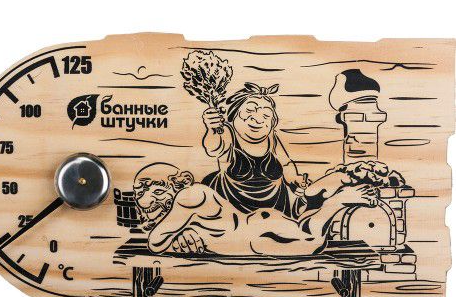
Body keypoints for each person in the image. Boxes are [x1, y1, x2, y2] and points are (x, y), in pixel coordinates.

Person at [132, 162, 383, 257]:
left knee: (312, 241)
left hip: (253, 235)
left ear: (177, 184)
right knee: (307, 230)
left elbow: (156, 242)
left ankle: (337, 201)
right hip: (257, 227)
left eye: (156, 191)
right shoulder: (190, 206)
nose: (146, 199)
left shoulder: (189, 197)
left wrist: (175, 237)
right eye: (140, 192)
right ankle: (331, 192)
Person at [201, 82, 308, 219]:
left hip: (276, 206)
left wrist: (294, 179)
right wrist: (212, 128)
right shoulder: (228, 132)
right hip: (232, 207)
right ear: (234, 113)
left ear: (272, 122)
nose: (258, 119)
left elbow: (286, 163)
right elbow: (213, 148)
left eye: (266, 115)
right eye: (250, 111)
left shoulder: (271, 138)